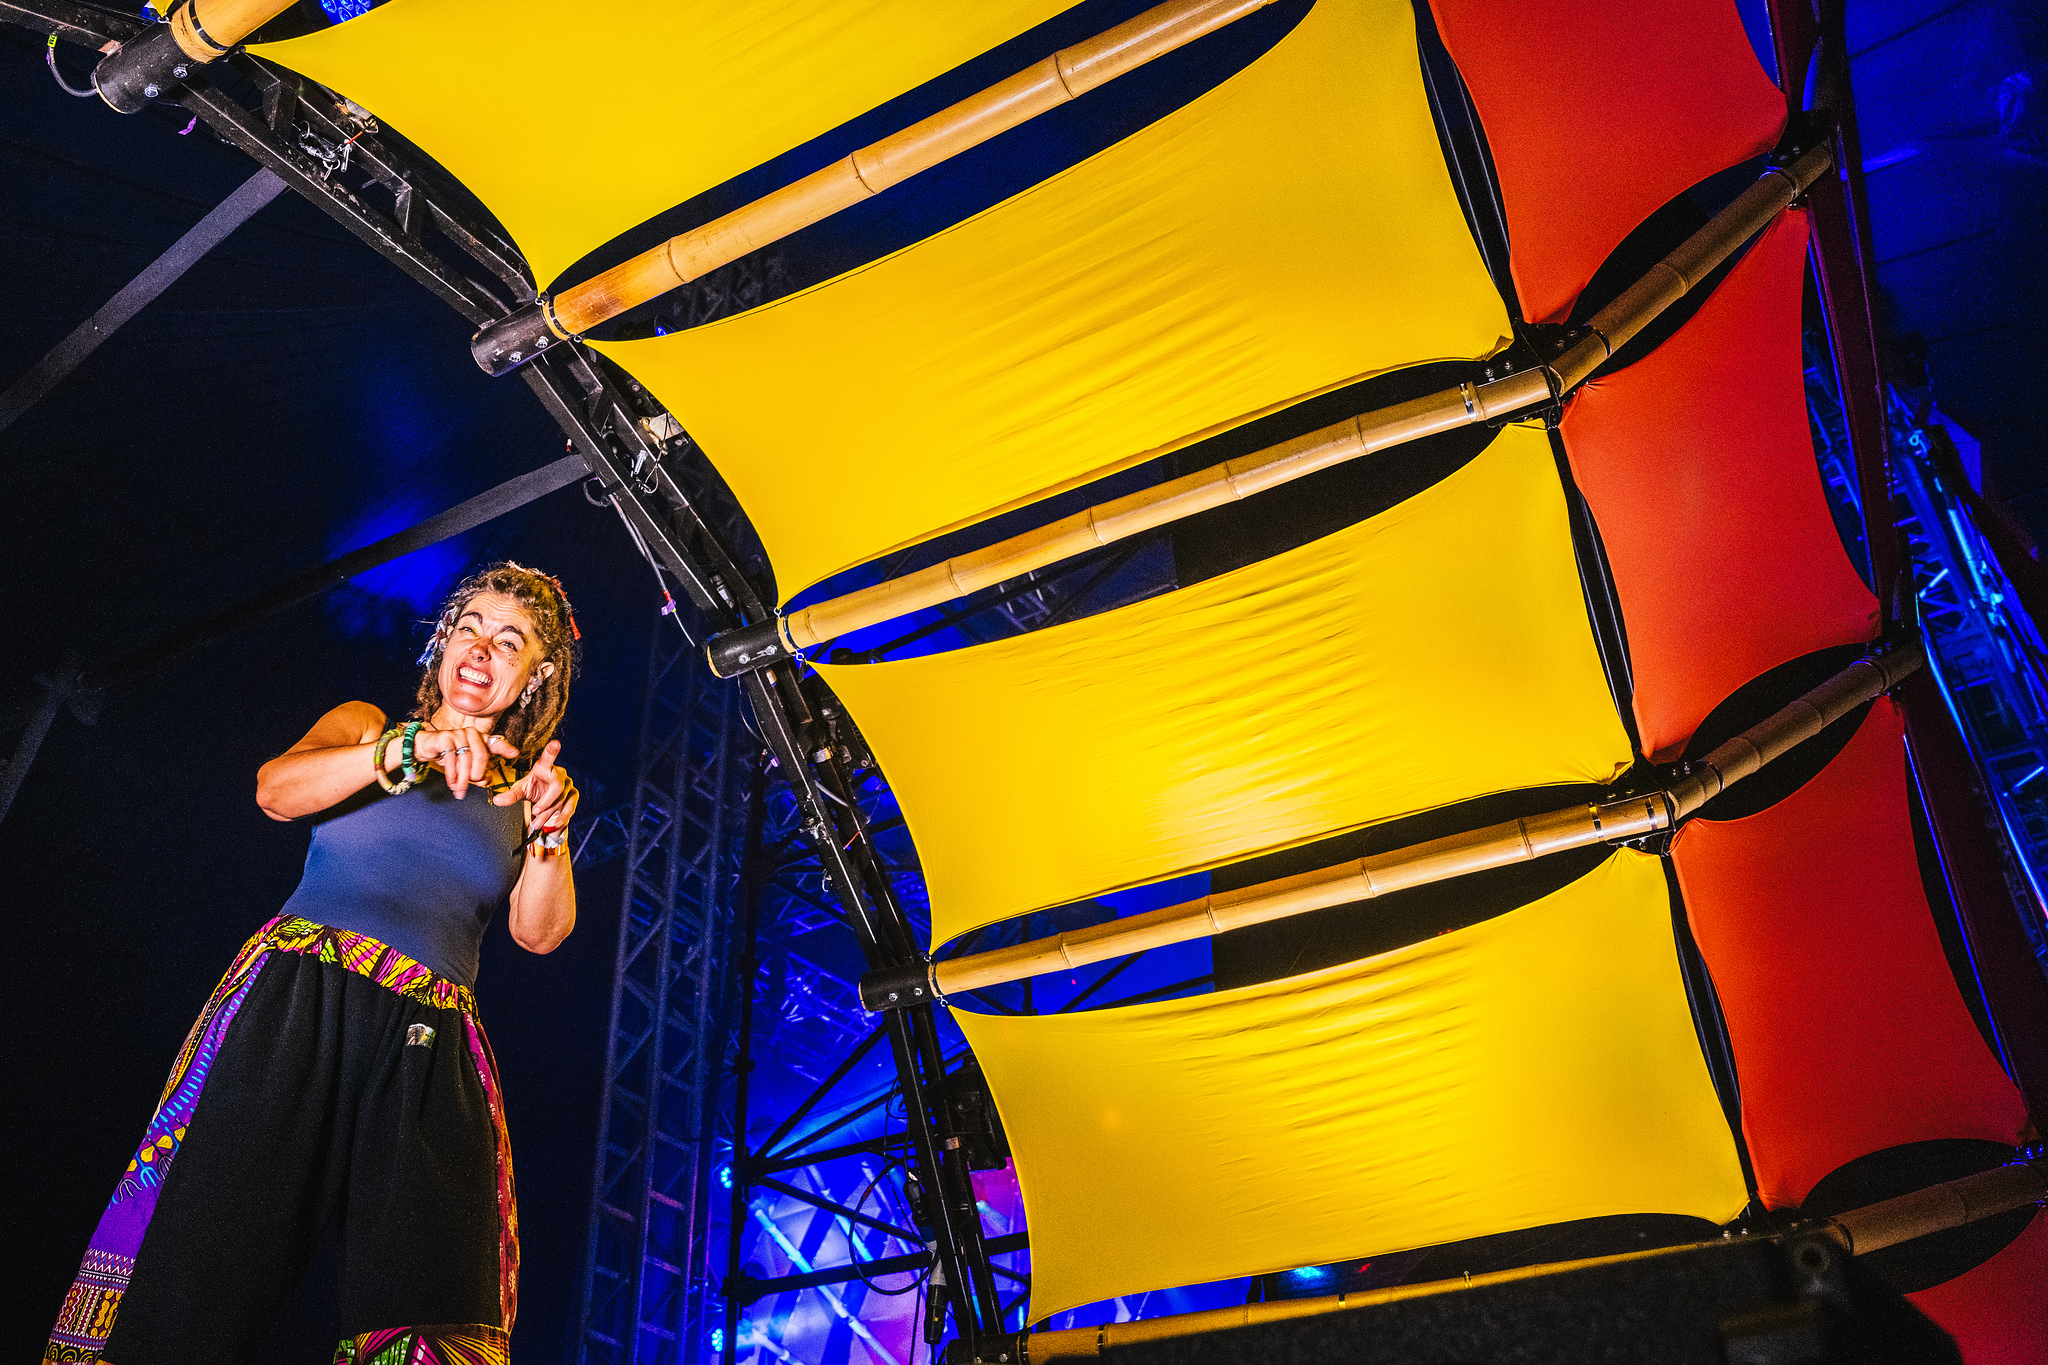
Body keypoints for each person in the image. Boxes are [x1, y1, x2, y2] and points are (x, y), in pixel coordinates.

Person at [46, 562, 583, 1365]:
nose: (480, 649)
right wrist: (407, 747)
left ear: (535, 676)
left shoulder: (527, 793)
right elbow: (275, 790)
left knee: (431, 1286)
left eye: (509, 642)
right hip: (301, 997)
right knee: (206, 1244)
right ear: (442, 641)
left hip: (427, 1038)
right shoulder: (368, 726)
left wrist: (548, 831)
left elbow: (540, 933)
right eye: (468, 627)